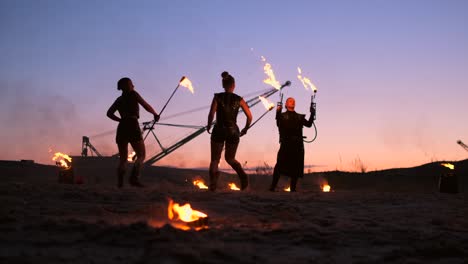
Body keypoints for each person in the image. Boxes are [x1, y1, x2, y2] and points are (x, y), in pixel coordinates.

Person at [107, 77, 160, 188]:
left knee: (123, 159)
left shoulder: (119, 100)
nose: (133, 86)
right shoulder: (133, 94)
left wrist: (120, 120)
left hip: (121, 127)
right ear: (127, 86)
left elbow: (109, 113)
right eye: (131, 84)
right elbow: (145, 105)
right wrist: (155, 114)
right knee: (141, 155)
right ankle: (134, 179)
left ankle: (120, 183)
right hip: (132, 124)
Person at [206, 71, 253, 191]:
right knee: (230, 158)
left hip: (219, 129)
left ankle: (213, 185)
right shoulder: (239, 99)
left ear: (223, 85)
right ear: (234, 85)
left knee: (215, 160)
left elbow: (211, 113)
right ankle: (243, 177)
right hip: (233, 131)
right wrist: (245, 128)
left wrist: (208, 126)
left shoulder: (217, 97)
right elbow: (250, 116)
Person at [269, 97, 315, 192]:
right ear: (285, 104)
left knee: (296, 167)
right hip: (286, 144)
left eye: (293, 101)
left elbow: (309, 124)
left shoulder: (299, 117)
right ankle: (272, 187)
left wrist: (312, 113)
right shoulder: (281, 116)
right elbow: (278, 124)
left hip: (298, 145)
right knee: (279, 166)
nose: (292, 101)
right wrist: (278, 112)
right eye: (289, 100)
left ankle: (292, 189)